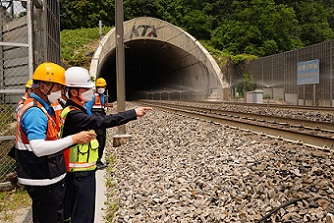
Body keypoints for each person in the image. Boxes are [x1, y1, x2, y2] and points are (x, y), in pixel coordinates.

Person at [60, 66, 152, 223]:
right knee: (82, 216)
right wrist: (132, 113)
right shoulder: (73, 114)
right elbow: (100, 121)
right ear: (74, 92)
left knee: (83, 214)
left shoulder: (76, 110)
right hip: (78, 175)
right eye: (86, 89)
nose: (91, 91)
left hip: (84, 172)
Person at [15, 62, 97, 223]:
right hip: (41, 178)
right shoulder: (34, 112)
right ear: (45, 86)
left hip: (48, 176)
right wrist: (74, 139)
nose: (61, 91)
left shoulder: (44, 107)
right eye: (58, 87)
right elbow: (38, 148)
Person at [85, 77, 108, 169]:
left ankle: (99, 159)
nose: (101, 88)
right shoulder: (93, 97)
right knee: (97, 142)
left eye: (102, 87)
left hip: (102, 122)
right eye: (99, 87)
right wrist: (91, 120)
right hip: (96, 123)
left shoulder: (103, 97)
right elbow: (86, 109)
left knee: (102, 141)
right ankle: (96, 161)